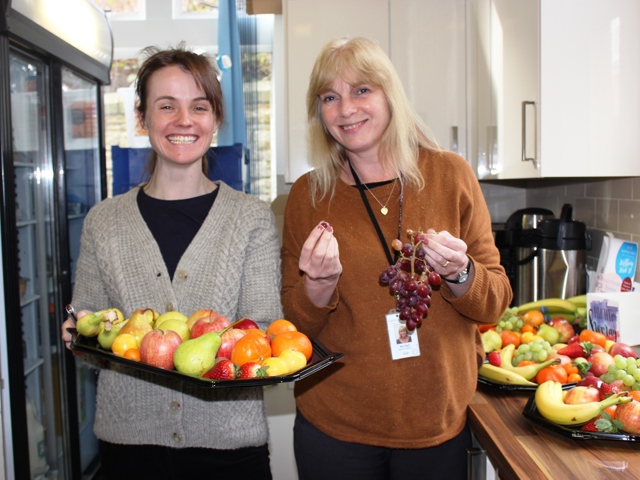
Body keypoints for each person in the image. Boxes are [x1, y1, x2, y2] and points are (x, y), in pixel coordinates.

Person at [280, 36, 512, 480]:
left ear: (390, 95)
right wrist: (318, 287)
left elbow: (495, 301)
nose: (346, 109)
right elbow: (296, 326)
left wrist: (461, 272)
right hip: (335, 424)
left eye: (362, 90)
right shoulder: (308, 195)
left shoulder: (450, 175)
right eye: (330, 97)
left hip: (435, 421)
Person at [61, 45, 282, 480]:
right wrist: (77, 329)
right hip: (130, 444)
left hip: (229, 447)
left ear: (216, 119)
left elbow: (263, 330)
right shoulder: (104, 221)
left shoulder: (251, 218)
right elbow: (89, 332)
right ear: (142, 118)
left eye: (199, 107)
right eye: (167, 106)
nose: (184, 120)